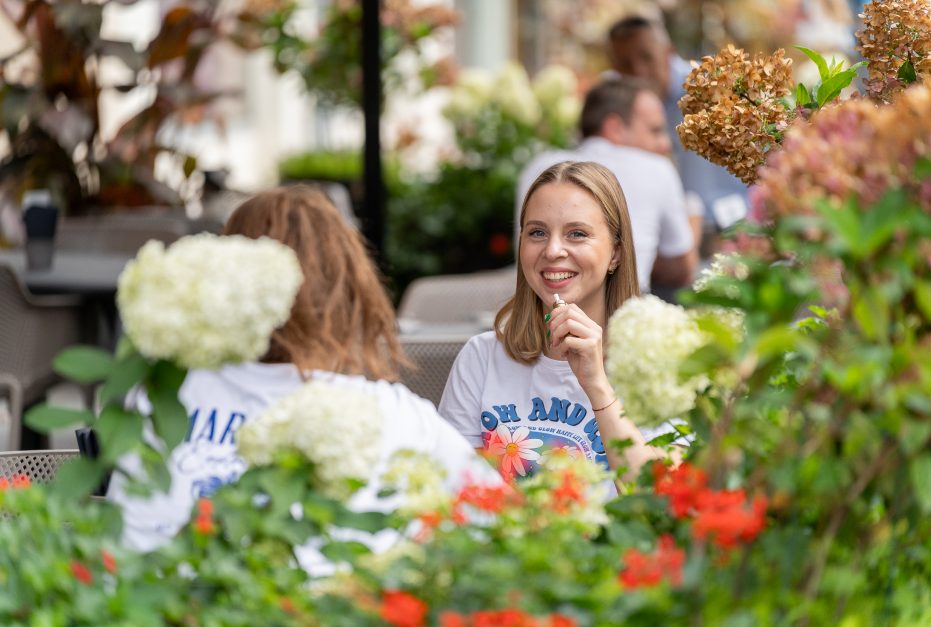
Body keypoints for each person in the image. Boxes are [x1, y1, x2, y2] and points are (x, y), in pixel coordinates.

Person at [108, 185, 495, 553]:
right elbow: (500, 523)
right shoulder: (400, 417)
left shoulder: (164, 393)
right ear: (349, 287)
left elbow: (123, 536)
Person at [442, 161, 671, 484]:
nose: (552, 250)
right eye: (537, 232)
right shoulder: (480, 358)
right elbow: (451, 491)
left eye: (577, 234)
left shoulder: (658, 364)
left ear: (616, 253)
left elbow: (659, 501)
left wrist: (597, 386)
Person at [516, 78, 699, 292]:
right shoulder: (657, 168)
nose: (666, 143)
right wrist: (693, 221)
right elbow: (681, 270)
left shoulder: (538, 165)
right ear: (615, 128)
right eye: (655, 130)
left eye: (577, 234)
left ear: (617, 251)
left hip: (537, 301)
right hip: (622, 310)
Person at [607, 15, 750, 231]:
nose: (638, 71)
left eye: (647, 57)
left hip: (733, 228)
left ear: (668, 53)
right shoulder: (613, 104)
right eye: (625, 64)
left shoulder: (712, 87)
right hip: (668, 237)